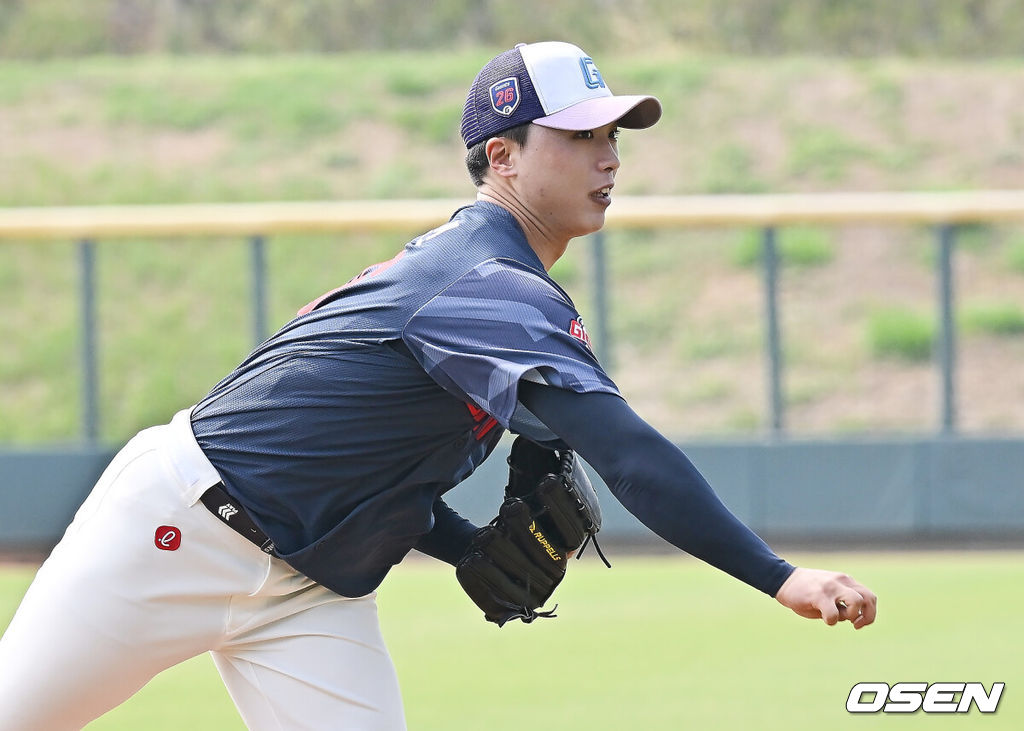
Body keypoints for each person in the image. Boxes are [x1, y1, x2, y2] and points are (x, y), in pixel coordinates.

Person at [0, 41, 876, 730]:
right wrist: (777, 574)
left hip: (314, 587)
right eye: (580, 136)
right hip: (178, 530)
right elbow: (631, 455)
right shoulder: (485, 285)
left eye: (612, 135)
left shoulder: (497, 286)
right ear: (503, 155)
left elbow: (372, 456)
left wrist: (464, 547)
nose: (608, 157)